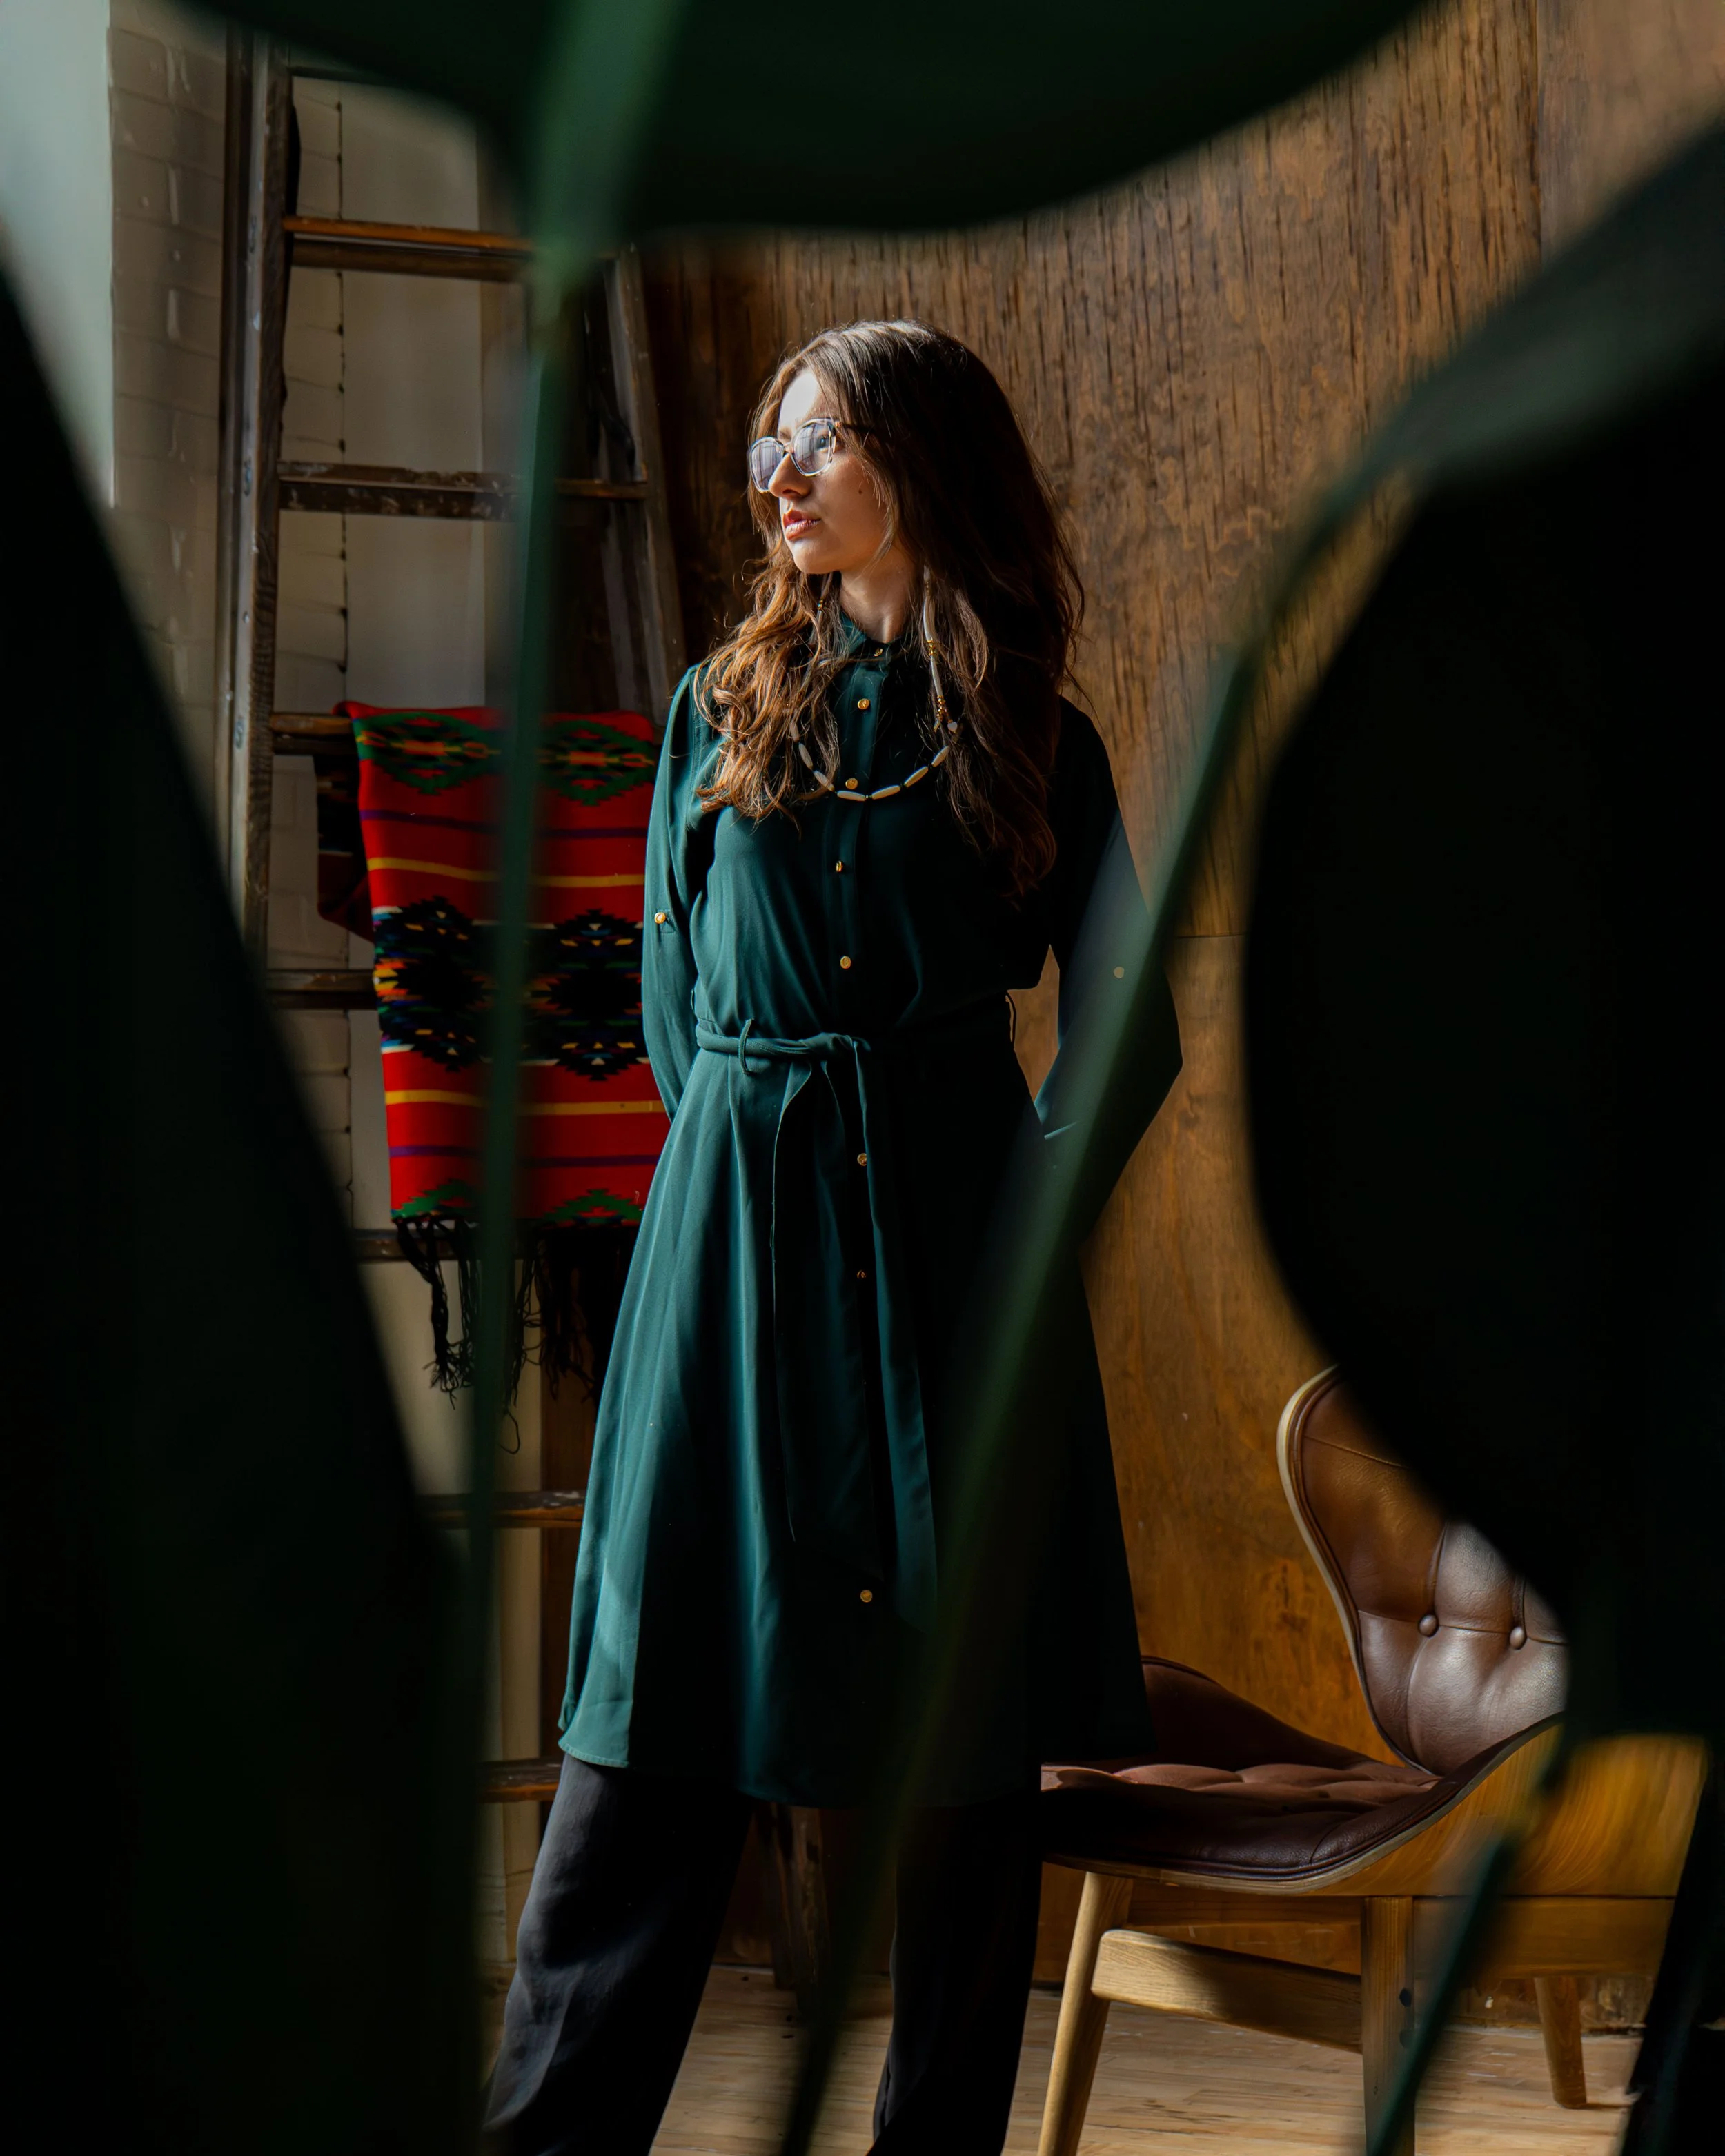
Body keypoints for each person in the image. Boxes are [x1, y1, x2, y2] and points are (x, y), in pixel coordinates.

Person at [485, 319, 1181, 2155]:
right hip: (726, 1264)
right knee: (658, 1714)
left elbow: (1131, 1022)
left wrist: (1006, 1226)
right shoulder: (714, 713)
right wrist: (755, 1149)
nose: (775, 481)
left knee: (956, 1755)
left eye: (820, 444)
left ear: (922, 466)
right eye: (762, 454)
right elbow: (664, 996)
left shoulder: (1037, 730)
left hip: (953, 1273)